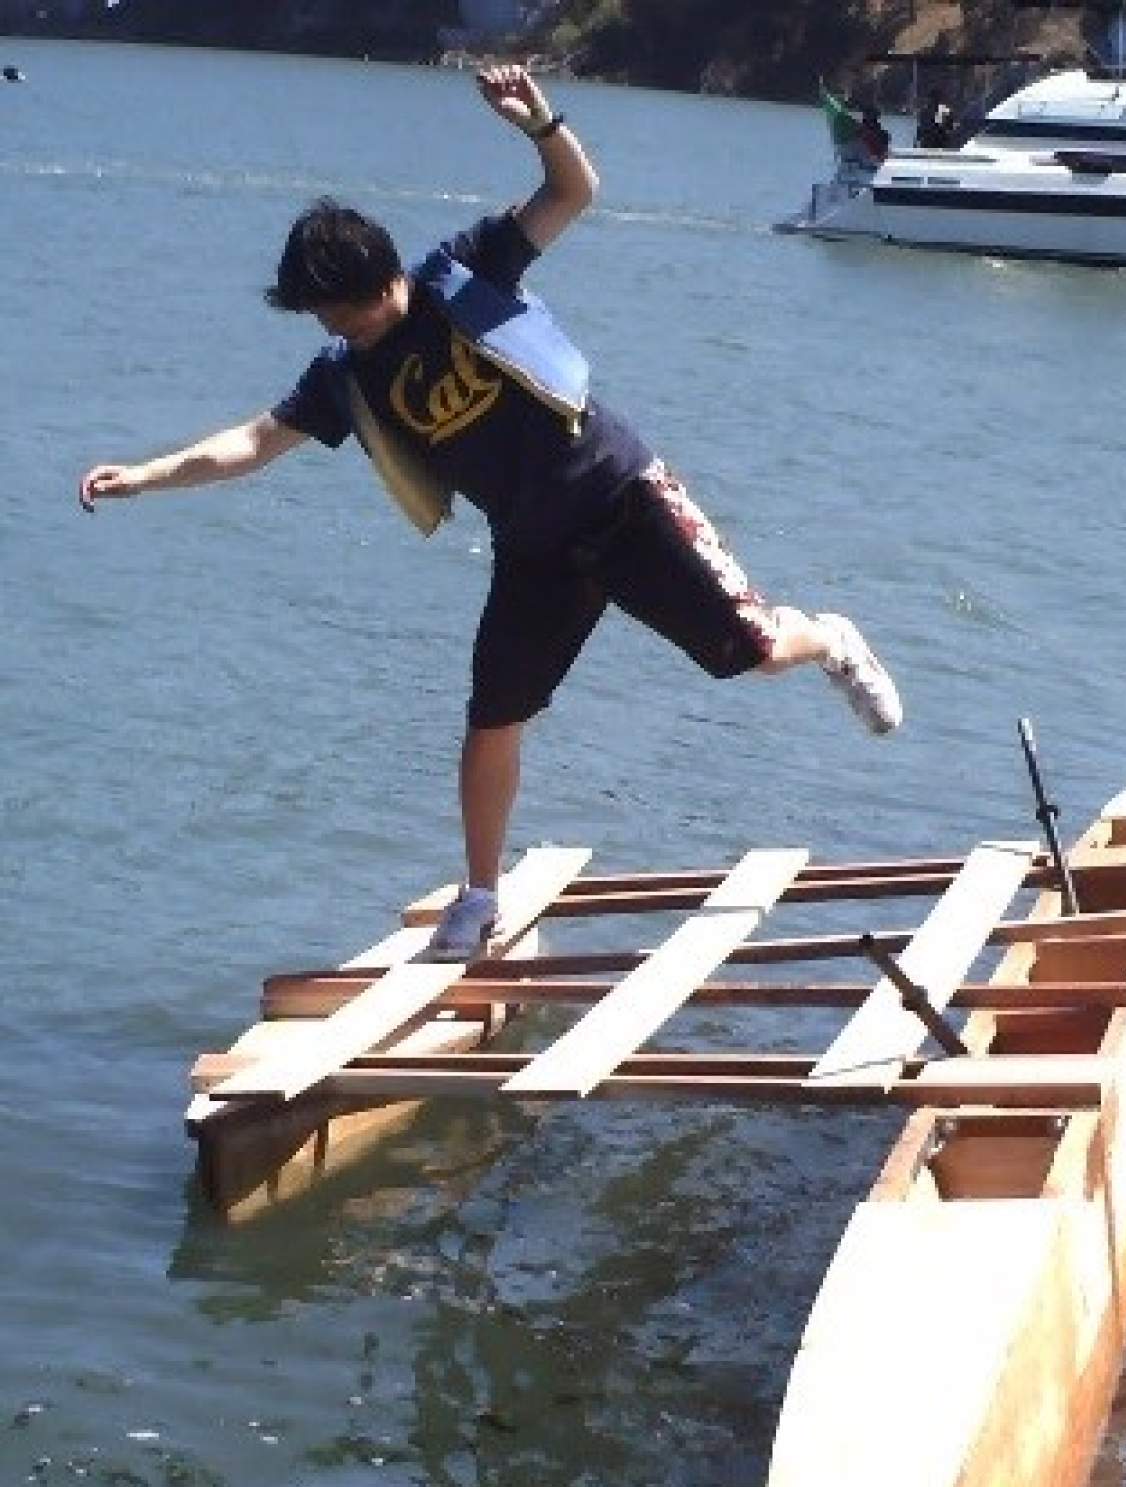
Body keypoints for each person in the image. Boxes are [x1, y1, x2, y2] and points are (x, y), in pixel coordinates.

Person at [79, 64, 902, 960]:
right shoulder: (346, 378)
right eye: (321, 319)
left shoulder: (466, 271)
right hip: (535, 549)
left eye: (340, 312)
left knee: (763, 654)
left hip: (621, 497)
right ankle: (480, 896)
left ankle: (831, 635)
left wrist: (540, 121)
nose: (333, 331)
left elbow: (573, 191)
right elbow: (252, 442)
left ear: (382, 277)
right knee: (491, 720)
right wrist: (145, 477)